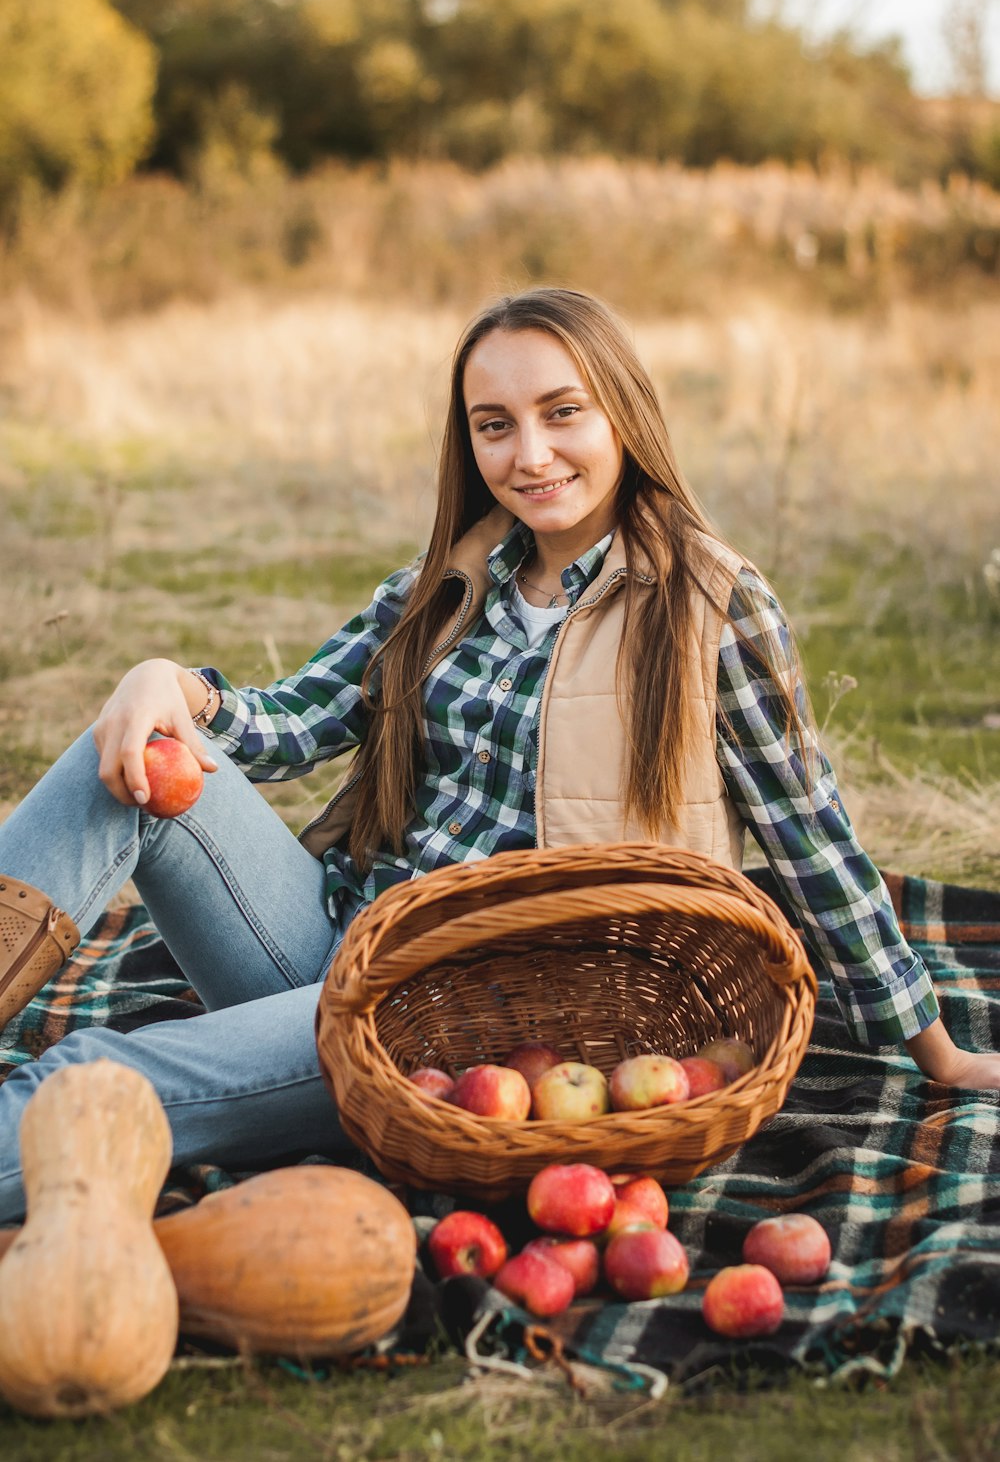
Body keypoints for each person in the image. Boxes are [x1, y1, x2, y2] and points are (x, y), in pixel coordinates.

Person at [0, 287, 996, 1223]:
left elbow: (810, 838)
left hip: (473, 1031)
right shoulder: (439, 589)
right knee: (129, 752)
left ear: (622, 416)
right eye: (494, 424)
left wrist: (936, 1051)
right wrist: (170, 686)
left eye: (562, 413)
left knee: (98, 1073)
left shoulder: (710, 607)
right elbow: (288, 723)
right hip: (343, 944)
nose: (529, 454)